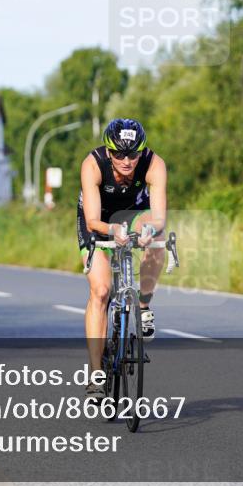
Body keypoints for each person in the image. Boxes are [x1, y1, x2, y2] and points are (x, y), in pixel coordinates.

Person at [77, 118, 167, 402]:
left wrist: (149, 230)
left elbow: (159, 216)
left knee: (156, 240)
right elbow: (92, 220)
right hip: (100, 220)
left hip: (135, 213)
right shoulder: (93, 164)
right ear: (109, 151)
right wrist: (113, 230)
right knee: (101, 290)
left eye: (133, 154)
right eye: (119, 154)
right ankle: (95, 376)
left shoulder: (154, 164)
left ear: (142, 151)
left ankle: (142, 306)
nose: (127, 161)